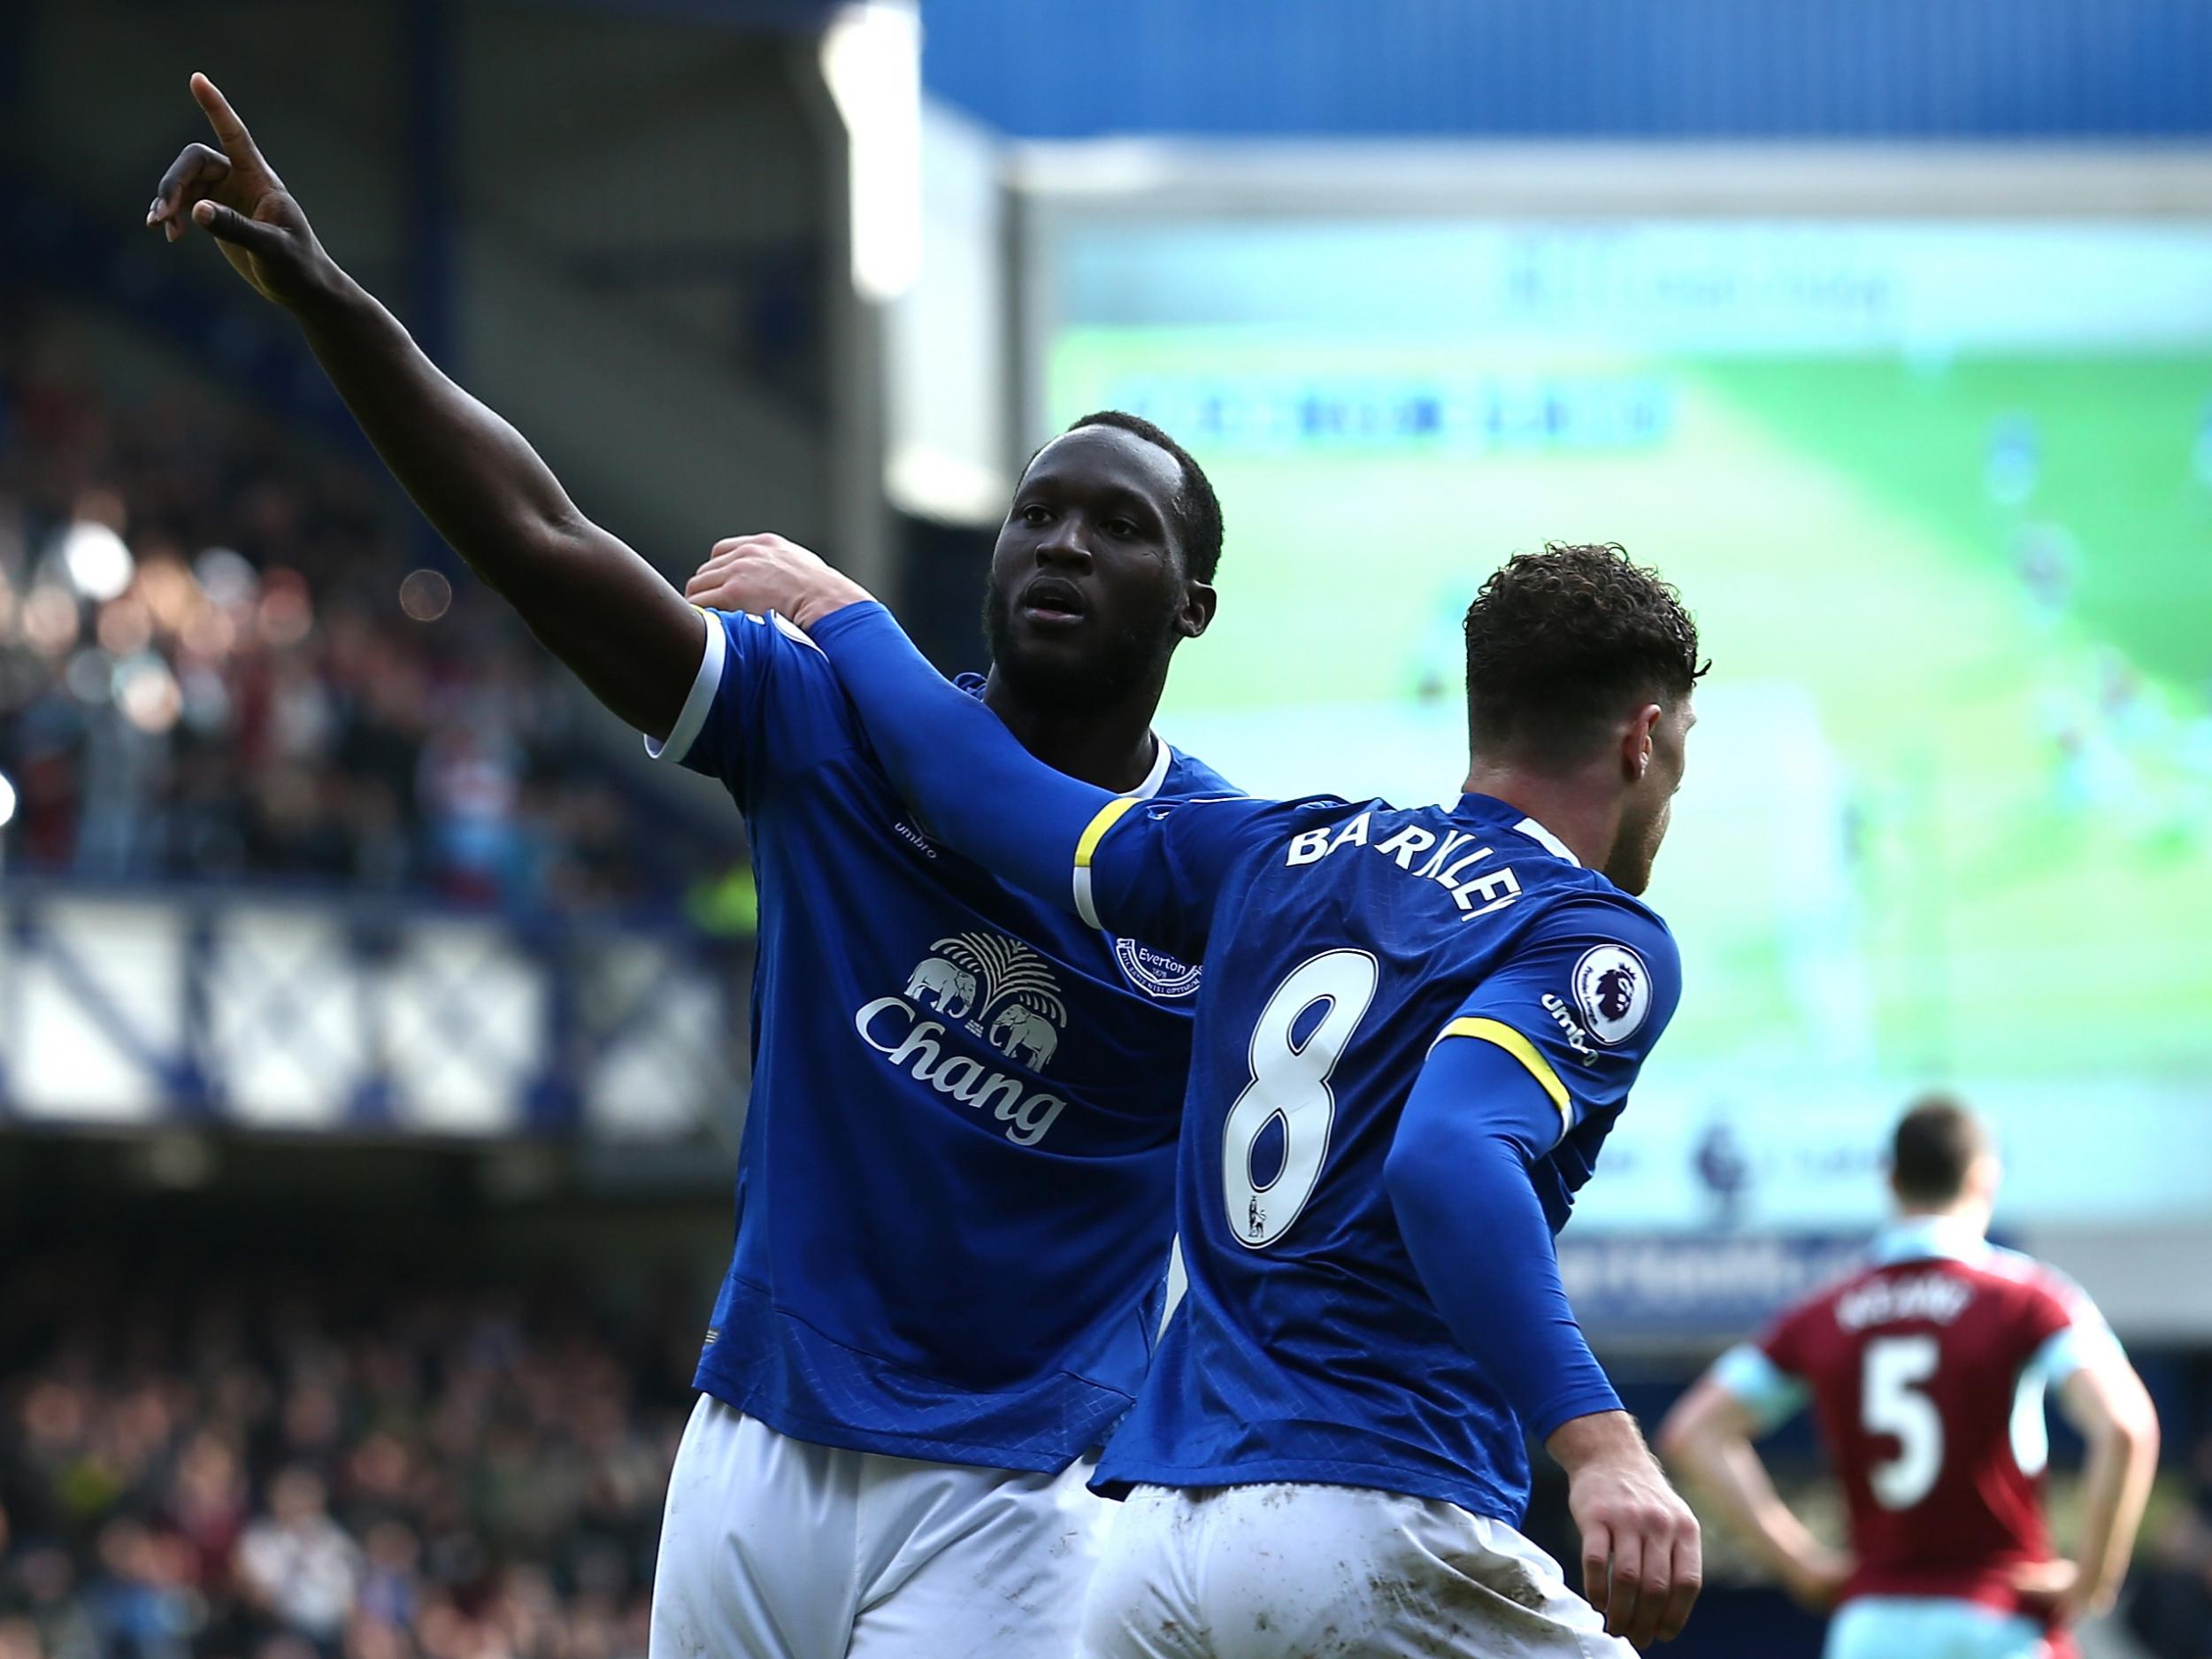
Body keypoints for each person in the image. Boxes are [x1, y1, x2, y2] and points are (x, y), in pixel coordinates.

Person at [149, 73, 1237, 1659]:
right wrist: (327, 294)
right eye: (1037, 513)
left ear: (1194, 605)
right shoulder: (828, 726)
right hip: (758, 1447)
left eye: (1120, 529)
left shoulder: (1212, 870)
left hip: (1027, 1488)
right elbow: (539, 536)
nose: (1065, 544)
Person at [697, 535, 1708, 1655]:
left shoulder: (1287, 850)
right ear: (1644, 737)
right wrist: (1600, 1444)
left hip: (1155, 1547)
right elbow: (1450, 1154)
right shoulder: (1588, 933)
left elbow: (979, 794)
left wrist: (843, 612)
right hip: (1372, 1508)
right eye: (1681, 749)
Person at [1657, 1097, 2161, 1659]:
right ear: (1984, 1178)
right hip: (1997, 1619)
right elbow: (2124, 1426)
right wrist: (2092, 1579)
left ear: (1890, 1179)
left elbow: (1693, 1432)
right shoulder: (2027, 1299)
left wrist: (1799, 1561)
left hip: (1871, 1628)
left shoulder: (1825, 1309)